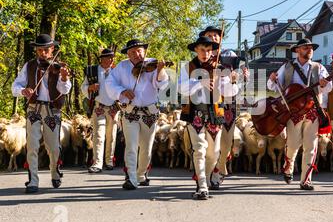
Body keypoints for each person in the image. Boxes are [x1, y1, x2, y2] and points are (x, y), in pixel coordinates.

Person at [267, 38, 332, 190]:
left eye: (311, 48)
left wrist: (325, 84)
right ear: (297, 50)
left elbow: (329, 87)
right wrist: (272, 80)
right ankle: (288, 167)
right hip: (293, 112)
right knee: (293, 144)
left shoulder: (319, 67)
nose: (309, 50)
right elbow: (274, 86)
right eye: (305, 47)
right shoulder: (287, 67)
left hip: (313, 111)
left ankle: (306, 180)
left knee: (311, 146)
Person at [179, 36, 238, 199]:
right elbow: (181, 89)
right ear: (196, 50)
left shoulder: (220, 68)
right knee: (199, 150)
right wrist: (200, 83)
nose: (206, 53)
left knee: (214, 154)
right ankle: (202, 185)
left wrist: (233, 82)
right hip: (195, 113)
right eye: (202, 50)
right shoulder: (188, 67)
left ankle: (205, 177)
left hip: (215, 115)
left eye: (208, 50)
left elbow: (228, 94)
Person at [105, 39, 169, 190]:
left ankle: (141, 174)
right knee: (131, 146)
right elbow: (109, 83)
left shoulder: (152, 64)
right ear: (128, 54)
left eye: (139, 51)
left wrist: (160, 70)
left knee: (146, 148)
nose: (137, 54)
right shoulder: (122, 66)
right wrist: (122, 91)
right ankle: (131, 177)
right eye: (133, 52)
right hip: (130, 112)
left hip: (149, 113)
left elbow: (162, 84)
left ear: (144, 51)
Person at [12, 34, 71, 193]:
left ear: (52, 49)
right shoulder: (29, 66)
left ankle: (54, 172)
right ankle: (33, 181)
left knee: (53, 147)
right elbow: (15, 86)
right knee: (32, 145)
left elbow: (65, 90)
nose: (43, 53)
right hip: (34, 109)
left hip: (52, 110)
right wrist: (23, 90)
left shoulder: (59, 66)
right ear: (36, 50)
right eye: (40, 50)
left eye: (46, 50)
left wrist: (64, 78)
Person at [81, 48, 119, 173]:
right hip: (99, 107)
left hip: (114, 107)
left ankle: (109, 161)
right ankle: (97, 163)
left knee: (112, 135)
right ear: (101, 59)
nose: (111, 59)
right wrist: (90, 87)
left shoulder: (117, 72)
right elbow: (83, 87)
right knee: (98, 134)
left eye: (112, 57)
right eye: (108, 57)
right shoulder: (92, 70)